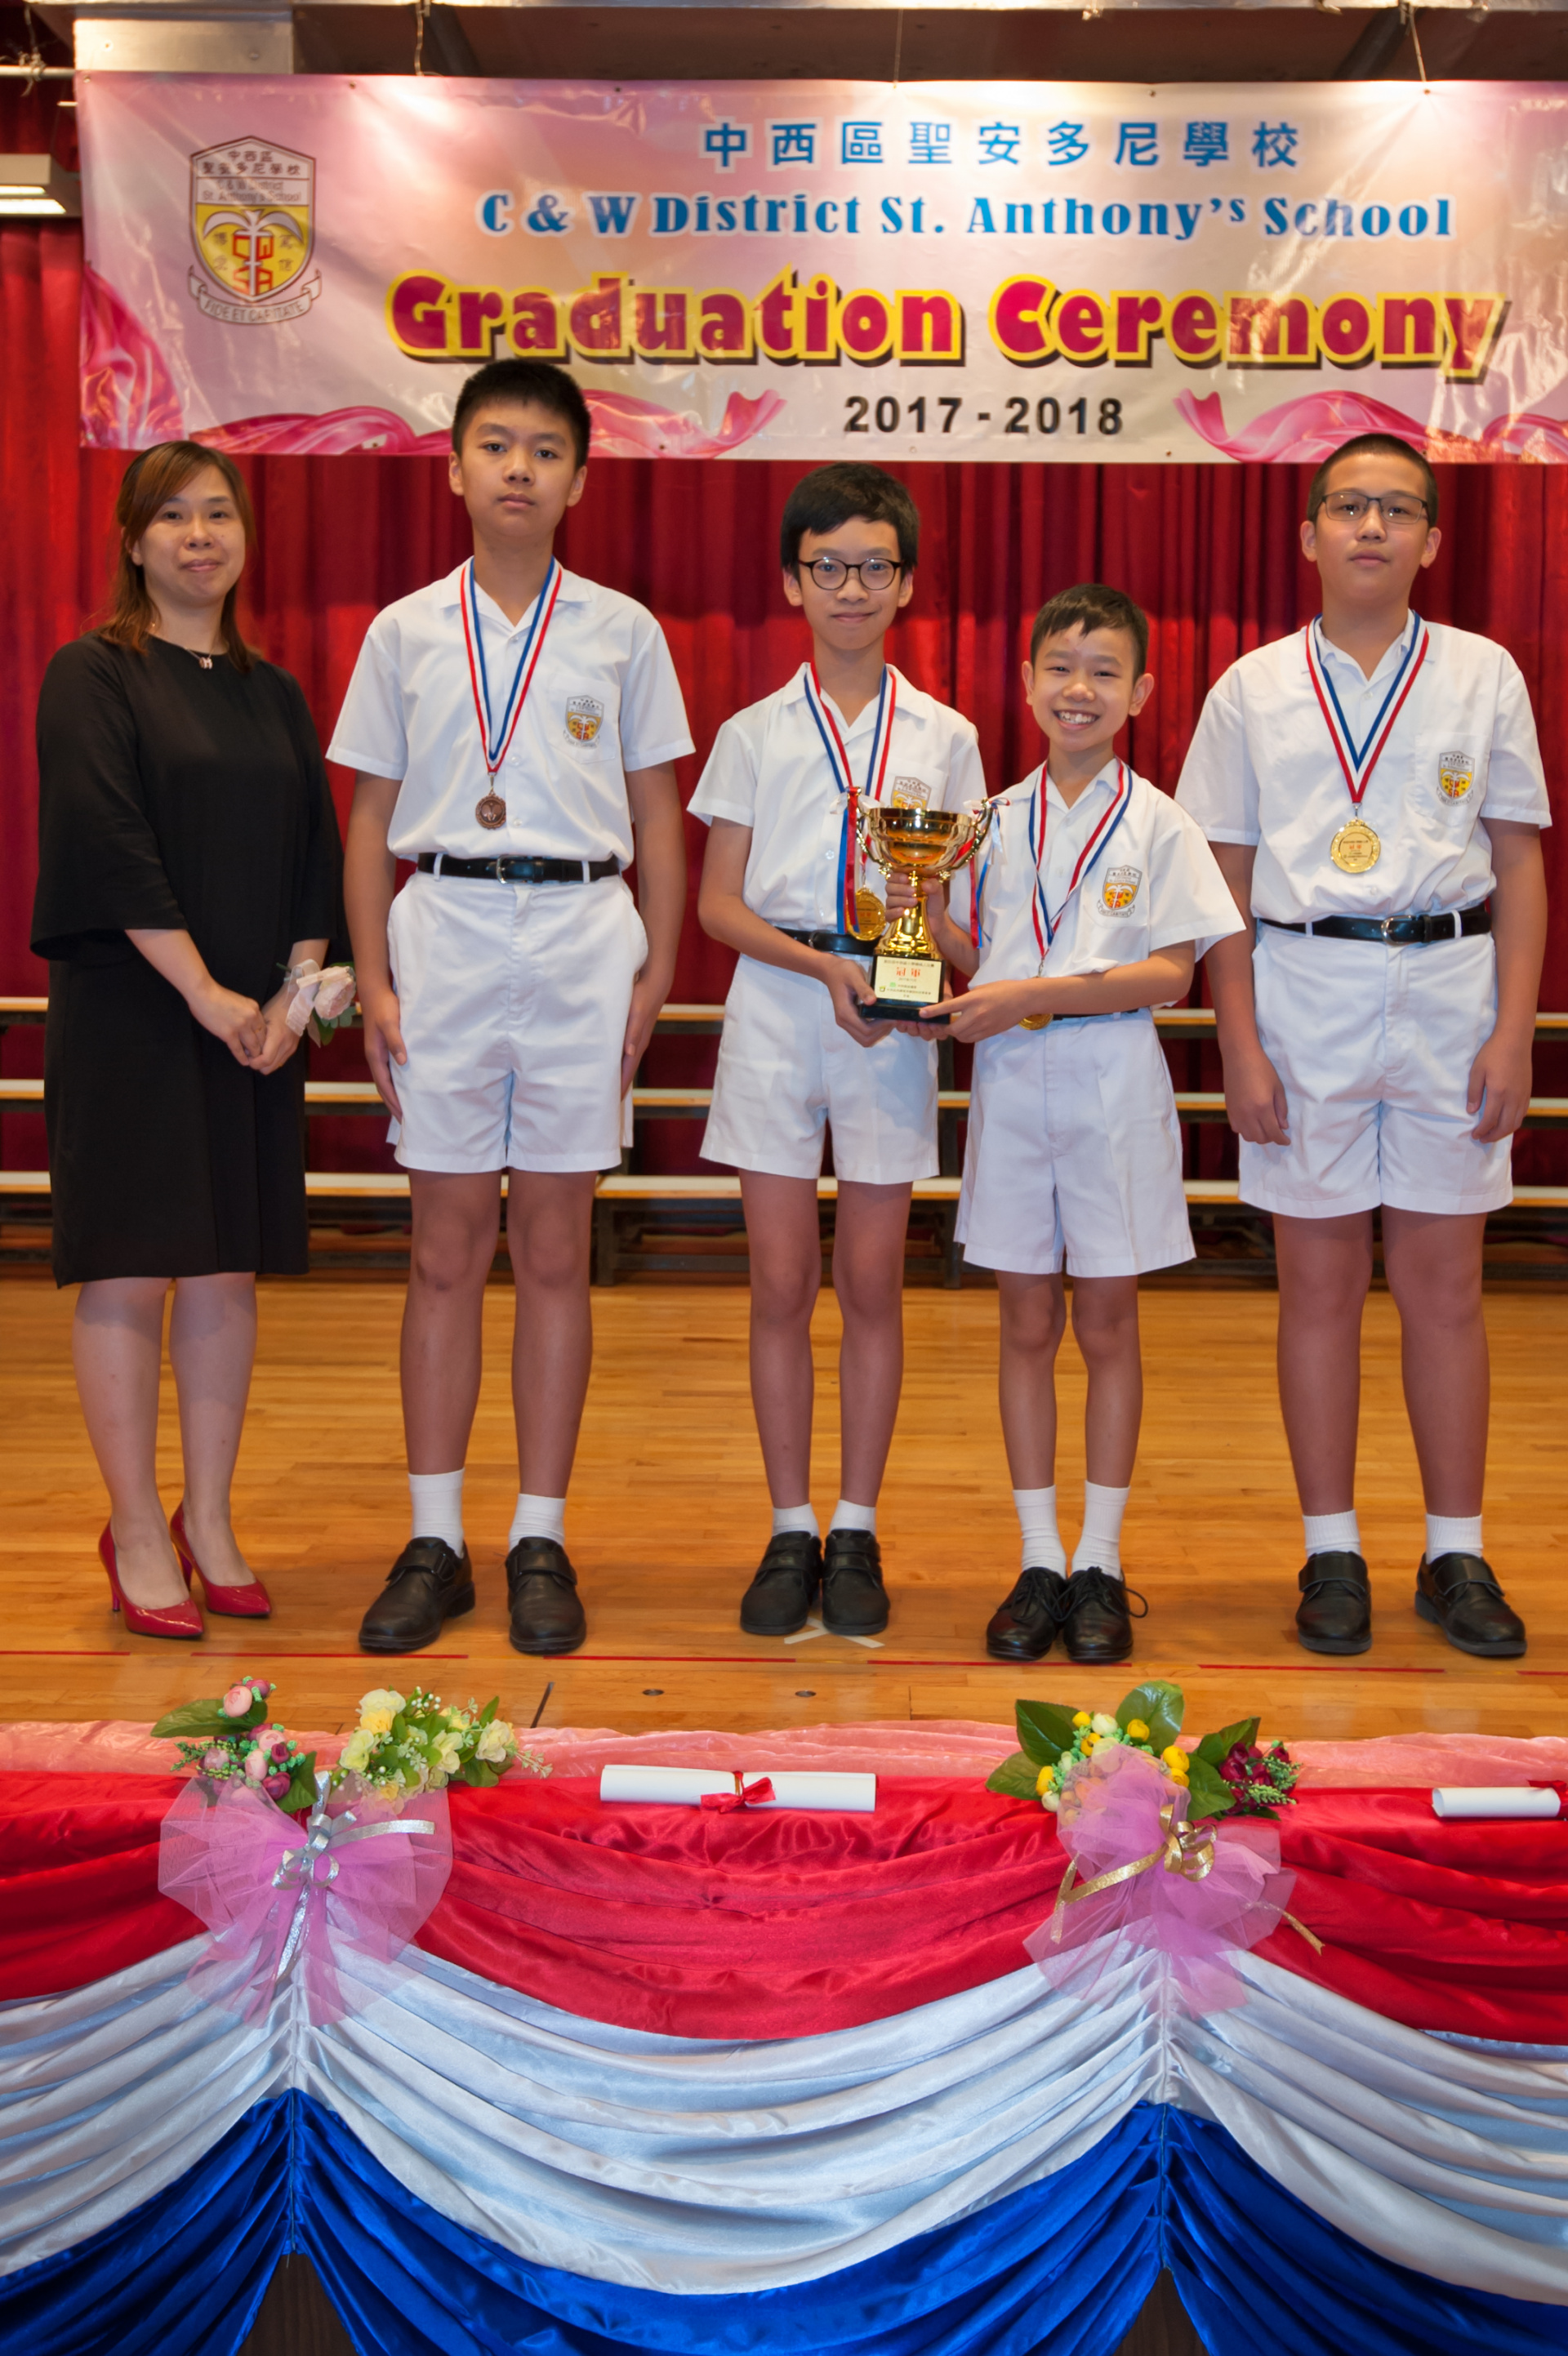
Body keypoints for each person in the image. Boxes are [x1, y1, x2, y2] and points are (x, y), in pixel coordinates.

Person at [334, 359, 690, 1658]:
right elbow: (369, 819)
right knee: (442, 1249)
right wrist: (376, 979)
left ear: (580, 479)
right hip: (446, 929)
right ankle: (435, 1538)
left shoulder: (624, 630)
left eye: (546, 449)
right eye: (496, 444)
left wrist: (655, 969)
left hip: (585, 933)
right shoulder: (403, 631)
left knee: (552, 1246)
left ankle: (540, 1533)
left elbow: (659, 814)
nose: (520, 467)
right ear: (455, 467)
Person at [1177, 433, 1550, 1658]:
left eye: (1397, 509)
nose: (1372, 527)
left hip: (1451, 988)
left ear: (1433, 540)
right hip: (1304, 988)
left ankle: (1456, 1551)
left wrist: (1513, 1033)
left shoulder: (1485, 672)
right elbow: (1221, 881)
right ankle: (1331, 1548)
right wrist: (1238, 1044)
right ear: (1309, 535)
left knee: (1447, 1289)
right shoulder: (1250, 688)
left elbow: (1519, 861)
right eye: (1349, 506)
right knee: (1320, 1288)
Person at [32, 443, 342, 1637]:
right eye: (173, 516)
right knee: (127, 1269)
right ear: (132, 538)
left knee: (223, 1271)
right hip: (136, 1013)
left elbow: (315, 852)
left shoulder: (274, 692)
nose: (200, 536)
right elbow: (107, 842)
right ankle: (134, 1526)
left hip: (254, 1026)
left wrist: (293, 997)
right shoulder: (92, 673)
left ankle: (207, 1518)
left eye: (219, 514)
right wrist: (208, 994)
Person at [920, 585, 1242, 1664]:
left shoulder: (1161, 822)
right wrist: (929, 918)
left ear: (1141, 692)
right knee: (1023, 1325)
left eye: (1105, 672)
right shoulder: (989, 822)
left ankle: (1099, 1559)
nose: (1079, 689)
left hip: (1113, 1088)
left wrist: (1032, 995)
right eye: (1060, 666)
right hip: (1013, 1090)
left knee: (1107, 1326)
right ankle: (1039, 1559)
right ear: (1025, 683)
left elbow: (1171, 971)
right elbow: (984, 960)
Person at [693, 461, 986, 1639]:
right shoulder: (752, 732)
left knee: (871, 1283)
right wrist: (823, 969)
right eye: (829, 567)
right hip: (779, 1002)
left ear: (907, 583)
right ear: (792, 581)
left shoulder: (949, 736)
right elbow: (717, 905)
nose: (851, 587)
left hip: (893, 1019)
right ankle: (789, 1524)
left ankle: (857, 1526)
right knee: (779, 1283)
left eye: (874, 566)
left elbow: (963, 928)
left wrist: (921, 934)